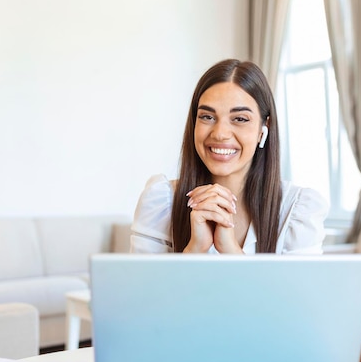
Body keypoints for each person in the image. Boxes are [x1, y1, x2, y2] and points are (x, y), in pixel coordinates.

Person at [131, 59, 328, 254]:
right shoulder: (161, 202)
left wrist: (230, 250)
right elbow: (142, 287)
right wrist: (195, 248)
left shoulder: (298, 210)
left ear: (263, 129)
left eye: (240, 119)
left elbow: (295, 288)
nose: (220, 133)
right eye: (207, 117)